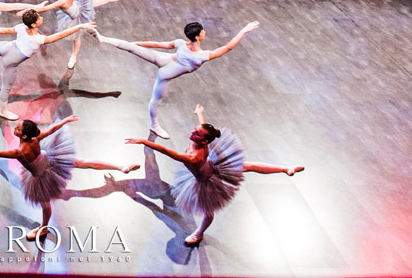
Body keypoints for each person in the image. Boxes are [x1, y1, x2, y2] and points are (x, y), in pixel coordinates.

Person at [127, 104, 303, 246]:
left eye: (196, 133)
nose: (192, 133)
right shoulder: (203, 141)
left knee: (208, 212)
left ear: (204, 141)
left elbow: (166, 151)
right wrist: (200, 114)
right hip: (214, 166)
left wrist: (143, 141)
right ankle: (285, 168)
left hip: (207, 181)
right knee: (247, 165)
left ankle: (199, 233)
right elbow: (205, 130)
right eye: (195, 130)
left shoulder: (193, 157)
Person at [0, 116, 139, 242]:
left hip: (42, 175)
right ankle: (120, 167)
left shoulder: (19, 152)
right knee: (82, 162)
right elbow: (52, 130)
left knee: (45, 205)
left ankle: (43, 227)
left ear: (24, 135)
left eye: (17, 129)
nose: (15, 128)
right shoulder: (35, 139)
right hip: (50, 160)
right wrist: (65, 121)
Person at [91, 21, 260, 138]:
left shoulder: (181, 43)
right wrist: (243, 31)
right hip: (165, 71)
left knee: (131, 48)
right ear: (198, 36)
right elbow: (229, 47)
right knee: (155, 100)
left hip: (165, 59)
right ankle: (154, 125)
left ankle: (104, 38)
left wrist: (132, 44)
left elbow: (157, 44)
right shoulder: (202, 56)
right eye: (202, 31)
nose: (205, 32)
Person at [21, 0, 139, 70]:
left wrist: (26, 10)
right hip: (76, 11)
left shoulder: (62, 1)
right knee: (77, 37)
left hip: (80, 12)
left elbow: (45, 8)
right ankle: (74, 55)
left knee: (104, 0)